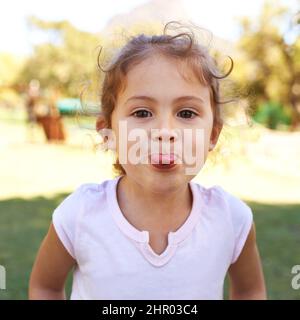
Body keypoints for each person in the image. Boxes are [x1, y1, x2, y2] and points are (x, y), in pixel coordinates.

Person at [29, 22, 267, 300]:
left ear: (213, 135)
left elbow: (250, 291)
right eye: (142, 113)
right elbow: (45, 286)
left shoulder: (231, 220)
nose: (165, 132)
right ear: (109, 133)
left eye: (187, 113)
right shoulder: (79, 215)